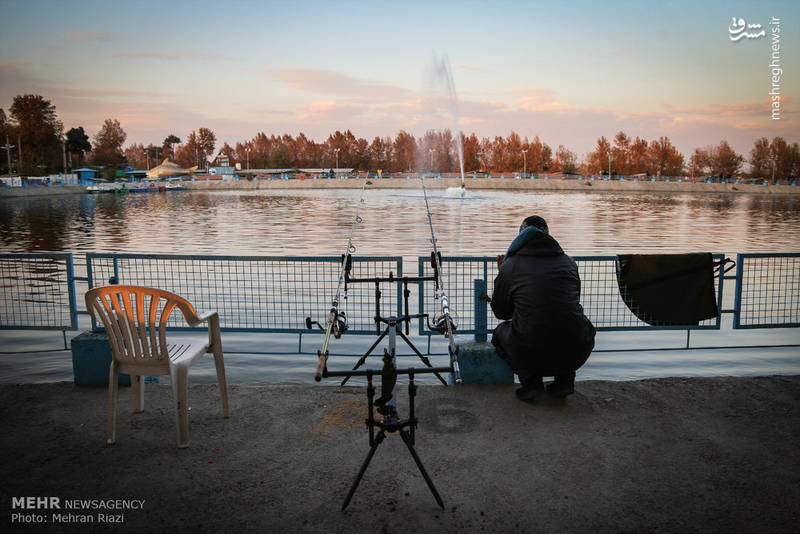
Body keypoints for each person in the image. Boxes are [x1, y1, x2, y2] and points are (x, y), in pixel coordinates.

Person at [491, 215, 596, 401]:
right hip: (578, 348)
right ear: (548, 235)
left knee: (500, 333)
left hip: (530, 350)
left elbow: (501, 313)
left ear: (520, 237)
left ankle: (532, 384)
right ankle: (564, 382)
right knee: (566, 321)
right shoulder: (569, 263)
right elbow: (570, 302)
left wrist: (503, 276)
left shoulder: (511, 266)